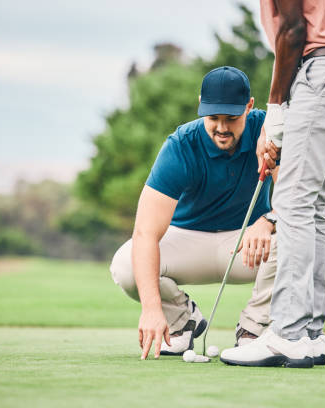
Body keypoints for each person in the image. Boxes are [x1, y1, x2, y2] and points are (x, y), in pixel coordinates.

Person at [220, 0, 325, 368]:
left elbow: (292, 31)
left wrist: (275, 109)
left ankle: (287, 334)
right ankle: (310, 335)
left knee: (292, 202)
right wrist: (283, 112)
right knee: (313, 204)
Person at [110, 66, 279, 360]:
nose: (222, 128)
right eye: (213, 118)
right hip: (186, 240)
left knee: (299, 239)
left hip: (247, 243)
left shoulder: (268, 131)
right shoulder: (180, 146)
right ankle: (181, 322)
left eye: (232, 119)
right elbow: (145, 232)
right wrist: (151, 309)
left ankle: (253, 330)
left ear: (249, 106)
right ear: (201, 106)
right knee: (126, 265)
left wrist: (268, 221)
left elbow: (298, 199)